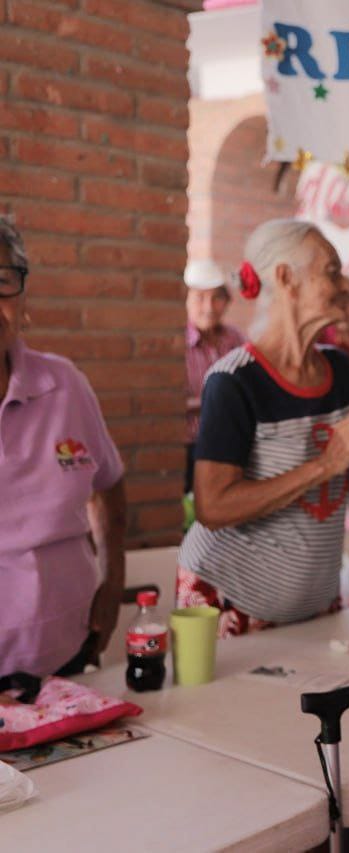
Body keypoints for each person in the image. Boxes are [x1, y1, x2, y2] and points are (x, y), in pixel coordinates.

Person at [178, 219, 349, 637]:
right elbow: (212, 507)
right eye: (331, 271)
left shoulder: (339, 368)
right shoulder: (234, 380)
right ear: (285, 278)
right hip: (231, 599)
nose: (345, 284)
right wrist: (325, 464)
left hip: (314, 599)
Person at [0, 217, 128, 676]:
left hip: (69, 654)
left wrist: (112, 582)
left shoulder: (65, 385)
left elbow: (108, 485)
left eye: (2, 282)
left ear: (23, 297)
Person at [184, 259, 245, 494]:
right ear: (186, 300)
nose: (209, 307)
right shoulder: (176, 342)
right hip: (188, 446)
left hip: (229, 445)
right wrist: (216, 403)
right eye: (199, 298)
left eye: (216, 298)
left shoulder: (236, 339)